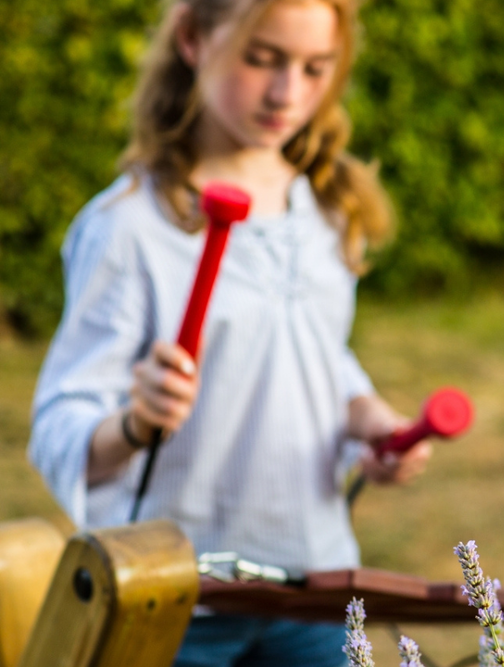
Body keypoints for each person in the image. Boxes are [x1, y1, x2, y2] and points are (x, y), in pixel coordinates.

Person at [27, 0, 429, 664]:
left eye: (314, 68)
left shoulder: (326, 206)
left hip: (316, 588)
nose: (286, 93)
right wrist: (135, 421)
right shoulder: (130, 227)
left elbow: (317, 358)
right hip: (178, 598)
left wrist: (372, 421)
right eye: (261, 59)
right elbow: (60, 427)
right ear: (192, 37)